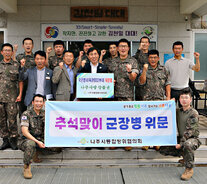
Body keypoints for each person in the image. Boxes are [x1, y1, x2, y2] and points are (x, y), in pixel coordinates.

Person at [160, 88, 201, 181]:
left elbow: (190, 131)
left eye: (186, 98)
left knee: (187, 145)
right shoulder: (178, 111)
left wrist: (181, 144)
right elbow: (165, 112)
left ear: (190, 99)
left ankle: (189, 168)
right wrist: (168, 103)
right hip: (181, 137)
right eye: (182, 98)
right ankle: (185, 156)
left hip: (192, 139)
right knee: (163, 149)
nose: (184, 100)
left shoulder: (193, 113)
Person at [18, 94, 61, 179]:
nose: (39, 104)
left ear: (44, 103)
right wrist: (38, 142)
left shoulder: (45, 113)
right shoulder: (26, 114)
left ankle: (36, 151)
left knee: (58, 147)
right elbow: (24, 132)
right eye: (37, 101)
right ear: (33, 102)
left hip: (40, 139)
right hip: (25, 140)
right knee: (31, 144)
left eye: (41, 102)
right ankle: (27, 166)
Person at [138, 49, 171, 151]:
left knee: (157, 123)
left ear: (158, 58)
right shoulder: (143, 68)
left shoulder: (163, 69)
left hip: (159, 100)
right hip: (147, 100)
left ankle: (157, 142)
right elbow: (141, 82)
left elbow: (167, 84)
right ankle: (147, 142)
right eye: (151, 57)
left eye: (155, 57)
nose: (153, 59)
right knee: (147, 123)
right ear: (148, 58)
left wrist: (168, 98)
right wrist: (144, 70)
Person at [110, 39, 138, 151]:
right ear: (117, 48)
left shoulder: (133, 61)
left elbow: (133, 78)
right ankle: (115, 141)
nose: (123, 48)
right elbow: (105, 77)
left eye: (125, 46)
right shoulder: (112, 62)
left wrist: (130, 71)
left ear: (128, 48)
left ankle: (127, 141)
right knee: (114, 119)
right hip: (113, 95)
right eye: (121, 46)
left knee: (127, 119)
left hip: (127, 95)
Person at [0, 43, 23, 150]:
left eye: (9, 50)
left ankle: (13, 139)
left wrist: (20, 94)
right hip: (0, 98)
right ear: (2, 52)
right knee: (2, 120)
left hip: (13, 98)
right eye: (5, 50)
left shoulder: (16, 65)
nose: (7, 52)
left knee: (12, 119)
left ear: (12, 52)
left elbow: (20, 81)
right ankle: (5, 140)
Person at [165, 41, 200, 106]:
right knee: (171, 111)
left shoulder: (187, 61)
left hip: (185, 90)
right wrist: (167, 93)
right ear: (173, 50)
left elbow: (197, 69)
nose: (177, 50)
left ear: (182, 49)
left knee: (185, 110)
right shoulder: (168, 62)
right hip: (173, 90)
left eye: (179, 48)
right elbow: (166, 78)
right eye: (175, 48)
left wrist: (197, 59)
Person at [14, 37, 35, 116]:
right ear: (23, 46)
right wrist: (15, 51)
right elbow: (14, 65)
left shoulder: (35, 57)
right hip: (22, 85)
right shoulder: (19, 57)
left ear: (32, 46)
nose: (28, 46)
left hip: (32, 84)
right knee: (22, 107)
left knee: (32, 107)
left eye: (30, 44)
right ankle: (23, 126)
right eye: (26, 44)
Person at [133, 36, 150, 101]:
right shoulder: (137, 55)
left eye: (146, 42)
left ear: (149, 44)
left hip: (149, 85)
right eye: (142, 42)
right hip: (139, 86)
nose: (144, 44)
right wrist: (139, 49)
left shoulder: (151, 56)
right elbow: (133, 60)